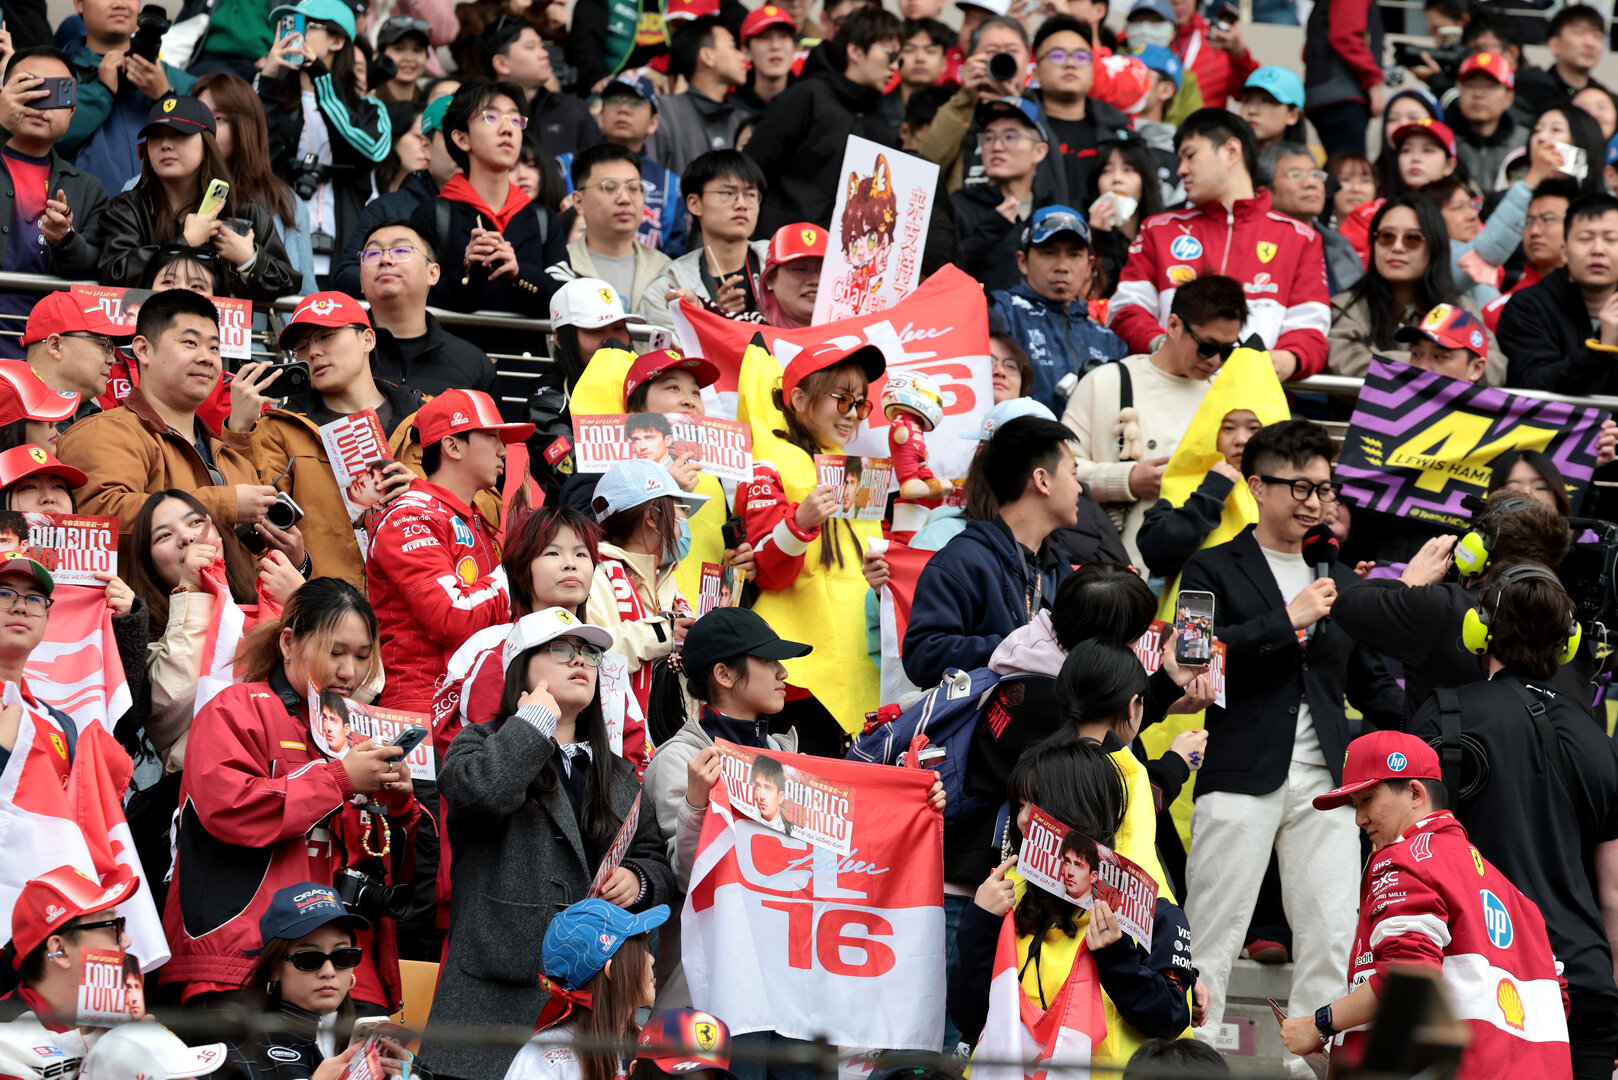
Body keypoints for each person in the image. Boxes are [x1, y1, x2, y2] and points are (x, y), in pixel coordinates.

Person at [1177, 418, 1403, 1052]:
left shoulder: (1339, 576)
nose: (1312, 502)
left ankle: (1311, 1066)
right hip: (1241, 770)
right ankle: (1191, 1057)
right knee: (1211, 930)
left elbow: (1374, 686)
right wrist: (1286, 619)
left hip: (1330, 783)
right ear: (1256, 486)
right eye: (1298, 488)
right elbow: (1194, 660)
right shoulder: (1210, 565)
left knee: (1331, 934)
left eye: (1322, 489)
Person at [428, 607, 675, 1080]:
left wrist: (639, 879)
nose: (579, 660)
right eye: (560, 649)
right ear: (521, 664)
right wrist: (533, 722)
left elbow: (656, 860)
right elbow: (485, 790)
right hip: (494, 1000)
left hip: (589, 1015)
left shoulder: (619, 773)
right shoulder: (477, 743)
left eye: (589, 652)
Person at [1399, 562, 1618, 1078]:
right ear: (1567, 645)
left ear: (1479, 632)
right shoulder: (1599, 744)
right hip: (1584, 982)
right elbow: (1613, 896)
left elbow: (1410, 862)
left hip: (1480, 980)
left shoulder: (1444, 716)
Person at [161, 578, 416, 1011]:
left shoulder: (354, 738)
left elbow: (390, 869)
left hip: (343, 970)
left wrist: (398, 806)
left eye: (362, 656)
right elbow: (231, 808)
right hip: (244, 962)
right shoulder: (234, 708)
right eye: (335, 652)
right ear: (288, 642)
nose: (349, 672)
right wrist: (338, 781)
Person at [1276, 731, 1572, 1076]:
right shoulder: (1510, 889)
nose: (1359, 819)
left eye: (1367, 799)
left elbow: (1407, 977)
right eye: (1355, 805)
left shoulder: (1403, 860)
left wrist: (1319, 1023)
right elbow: (1557, 997)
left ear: (1415, 792)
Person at [949, 737, 1196, 1071]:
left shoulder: (1152, 911)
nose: (1023, 820)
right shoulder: (1006, 895)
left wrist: (1116, 955)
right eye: (1019, 806)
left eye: (1035, 805)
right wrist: (979, 920)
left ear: (1076, 809)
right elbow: (967, 1015)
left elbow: (1169, 1021)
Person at [641, 606, 808, 1005]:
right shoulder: (679, 760)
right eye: (768, 660)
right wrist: (696, 803)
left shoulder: (788, 758)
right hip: (715, 986)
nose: (783, 673)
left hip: (788, 977)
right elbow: (683, 878)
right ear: (725, 674)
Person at [56, 291, 292, 569]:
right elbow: (100, 521)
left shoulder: (234, 461)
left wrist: (294, 560)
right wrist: (224, 504)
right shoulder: (101, 433)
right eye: (190, 343)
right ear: (143, 349)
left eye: (214, 348)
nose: (207, 358)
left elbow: (253, 565)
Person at [737, 340, 885, 754]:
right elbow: (768, 569)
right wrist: (799, 524)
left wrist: (878, 577)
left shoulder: (858, 472)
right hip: (797, 674)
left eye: (861, 405)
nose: (853, 415)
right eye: (842, 400)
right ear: (799, 399)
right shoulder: (768, 463)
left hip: (861, 663)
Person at [1109, 108, 1327, 382]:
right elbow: (1125, 311)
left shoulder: (1298, 237)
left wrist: (1291, 357)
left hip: (1255, 409)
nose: (1181, 170)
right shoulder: (1159, 229)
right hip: (1167, 395)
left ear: (1231, 151)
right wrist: (1161, 346)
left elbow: (1311, 330)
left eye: (1190, 155)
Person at [239, 292, 424, 590]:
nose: (312, 352)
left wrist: (425, 495)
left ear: (367, 340)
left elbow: (487, 505)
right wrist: (239, 428)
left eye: (326, 336)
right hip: (327, 616)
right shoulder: (277, 430)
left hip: (422, 607)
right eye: (301, 346)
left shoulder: (427, 416)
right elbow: (257, 537)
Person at [1064, 274, 1244, 569]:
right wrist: (1127, 480)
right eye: (1207, 347)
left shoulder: (1227, 397)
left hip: (1203, 573)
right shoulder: (1108, 382)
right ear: (1173, 325)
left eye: (1228, 351)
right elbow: (1059, 474)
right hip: (1120, 571)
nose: (1215, 361)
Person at [366, 388, 526, 711]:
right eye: (492, 436)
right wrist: (518, 575)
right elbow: (451, 616)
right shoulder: (410, 516)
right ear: (452, 446)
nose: (504, 451)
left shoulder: (472, 521)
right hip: (425, 709)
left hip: (470, 705)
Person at [902, 416, 1080, 687]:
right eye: (1074, 474)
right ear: (1042, 480)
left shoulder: (1060, 572)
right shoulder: (962, 560)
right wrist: (1018, 647)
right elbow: (923, 655)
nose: (1080, 488)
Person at [98, 96, 297, 301]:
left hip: (219, 332)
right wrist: (184, 242)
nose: (166, 144)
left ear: (207, 143)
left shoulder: (242, 208)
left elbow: (289, 283)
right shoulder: (127, 208)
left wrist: (249, 260)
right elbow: (114, 274)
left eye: (179, 134)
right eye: (156, 136)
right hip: (146, 328)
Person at [122, 490, 259, 781]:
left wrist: (297, 595)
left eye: (195, 522)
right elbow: (174, 700)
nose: (186, 537)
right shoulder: (142, 637)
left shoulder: (267, 602)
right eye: (164, 536)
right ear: (152, 569)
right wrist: (190, 590)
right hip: (205, 792)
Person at [258, 0, 394, 285]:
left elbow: (370, 150)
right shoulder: (272, 100)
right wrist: (267, 82)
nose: (293, 35)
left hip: (346, 251)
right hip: (280, 248)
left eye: (305, 26)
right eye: (286, 27)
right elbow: (255, 157)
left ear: (337, 40)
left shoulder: (369, 109)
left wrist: (321, 77)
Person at [746, 6, 903, 237]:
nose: (895, 66)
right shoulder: (806, 96)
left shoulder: (880, 116)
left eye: (899, 58)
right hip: (783, 246)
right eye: (890, 54)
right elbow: (751, 171)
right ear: (856, 51)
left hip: (846, 257)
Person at [226, 882, 408, 1080]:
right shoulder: (239, 1058)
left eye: (343, 956)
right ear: (274, 968)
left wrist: (408, 1076)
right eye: (309, 958)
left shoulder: (385, 1052)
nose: (329, 971)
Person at [413, 79, 565, 313]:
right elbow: (414, 296)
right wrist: (469, 273)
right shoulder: (433, 216)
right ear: (462, 138)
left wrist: (519, 273)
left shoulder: (544, 219)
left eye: (515, 120)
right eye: (491, 117)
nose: (507, 129)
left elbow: (567, 298)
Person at [0, 47, 108, 360]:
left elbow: (97, 267)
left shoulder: (88, 189)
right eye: (29, 88)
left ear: (72, 110)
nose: (40, 101)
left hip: (49, 353)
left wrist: (67, 240)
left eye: (55, 93)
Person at [1327, 195, 1505, 383]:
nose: (1397, 247)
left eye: (1412, 239)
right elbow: (1343, 361)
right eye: (1387, 237)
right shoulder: (1348, 305)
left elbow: (1494, 366)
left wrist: (1394, 361)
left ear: (1434, 245)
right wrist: (1435, 362)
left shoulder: (1460, 307)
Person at [586, 459, 706, 715]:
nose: (685, 523)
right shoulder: (592, 574)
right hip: (618, 739)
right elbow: (589, 657)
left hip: (675, 737)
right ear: (653, 516)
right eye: (682, 510)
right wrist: (662, 634)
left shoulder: (666, 581)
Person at [503, 898, 665, 1080]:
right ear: (610, 970)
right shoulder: (545, 1057)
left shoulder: (647, 1042)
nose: (651, 960)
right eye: (640, 951)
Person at [0, 865, 140, 1073]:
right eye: (112, 926)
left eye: (121, 924)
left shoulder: (122, 1019)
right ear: (60, 950)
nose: (126, 942)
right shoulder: (6, 1039)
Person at [986, 206, 1125, 410]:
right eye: (1049, 253)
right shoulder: (1000, 311)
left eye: (1074, 255)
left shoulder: (1108, 340)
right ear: (1022, 261)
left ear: (1089, 266)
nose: (1062, 265)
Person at [194, 72, 317, 298]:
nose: (205, 128)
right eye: (198, 118)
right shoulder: (149, 187)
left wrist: (250, 259)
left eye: (218, 119)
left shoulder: (285, 200)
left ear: (245, 128)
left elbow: (306, 291)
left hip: (257, 329)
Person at [58, 0, 196, 198]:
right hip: (82, 220)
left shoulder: (176, 80)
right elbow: (41, 135)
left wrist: (165, 96)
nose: (120, 4)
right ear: (79, 4)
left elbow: (213, 145)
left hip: (166, 220)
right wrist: (101, 91)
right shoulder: (56, 74)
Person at [331, 95, 458, 297]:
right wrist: (397, 277)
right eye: (453, 136)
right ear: (426, 146)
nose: (463, 146)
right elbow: (346, 276)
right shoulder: (388, 208)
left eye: (471, 136)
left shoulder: (509, 205)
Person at [360, 219, 499, 398]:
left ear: (432, 273)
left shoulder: (473, 364)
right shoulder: (339, 356)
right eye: (372, 254)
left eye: (401, 251)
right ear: (361, 280)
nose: (385, 260)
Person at [1498, 192, 1618, 394]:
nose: (1598, 250)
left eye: (1611, 239)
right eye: (1585, 239)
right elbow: (1531, 383)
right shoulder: (1527, 307)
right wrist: (1602, 349)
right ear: (1564, 251)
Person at [557, 73, 684, 255]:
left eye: (636, 103)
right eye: (615, 101)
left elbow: (675, 254)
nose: (623, 109)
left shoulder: (671, 185)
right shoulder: (565, 167)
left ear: (653, 122)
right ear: (600, 116)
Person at [644, 150, 768, 326]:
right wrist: (718, 317)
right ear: (695, 204)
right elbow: (676, 352)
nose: (742, 204)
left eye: (750, 194)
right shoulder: (668, 289)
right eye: (727, 193)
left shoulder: (783, 266)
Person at [550, 143, 672, 318]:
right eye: (609, 187)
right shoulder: (560, 268)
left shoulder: (665, 269)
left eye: (633, 188)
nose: (625, 199)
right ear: (578, 201)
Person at [1027, 15, 1140, 200]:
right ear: (1036, 73)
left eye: (1081, 56)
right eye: (1057, 55)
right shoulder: (1017, 127)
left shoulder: (1120, 133)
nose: (1070, 63)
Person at [952, 99, 1054, 291]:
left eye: (1010, 137)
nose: (996, 146)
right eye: (989, 138)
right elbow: (940, 272)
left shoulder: (1049, 213)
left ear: (1039, 151)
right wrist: (992, 229)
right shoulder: (960, 205)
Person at [478, 17, 598, 157]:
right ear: (501, 64)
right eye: (530, 47)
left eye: (542, 46)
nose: (545, 54)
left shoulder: (573, 109)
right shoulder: (481, 115)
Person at [644, 17, 748, 178]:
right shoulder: (663, 114)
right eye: (733, 47)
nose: (743, 57)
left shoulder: (742, 120)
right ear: (707, 56)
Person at [1259, 142, 1361, 295]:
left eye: (1316, 175)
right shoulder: (1252, 247)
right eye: (1296, 175)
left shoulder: (1342, 249)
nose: (1311, 183)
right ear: (1265, 192)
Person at [1483, 177, 1575, 330]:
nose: (1534, 231)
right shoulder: (1499, 312)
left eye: (1548, 219)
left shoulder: (1598, 297)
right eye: (1529, 222)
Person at [18, 291, 122, 417]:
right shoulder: (8, 415)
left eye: (111, 348)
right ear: (55, 346)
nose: (112, 360)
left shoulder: (101, 416)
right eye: (103, 344)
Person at [1299, 0, 1382, 156]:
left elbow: (1307, 53)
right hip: (1343, 97)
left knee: (1340, 168)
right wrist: (1373, 81)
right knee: (1349, 172)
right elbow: (1344, 36)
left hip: (1323, 95)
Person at [1449, 51, 1526, 197]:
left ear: (1509, 98)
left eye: (1489, 86)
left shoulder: (1526, 142)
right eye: (1469, 85)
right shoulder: (1444, 142)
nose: (1478, 94)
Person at [1514, 3, 1607, 117]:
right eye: (1579, 32)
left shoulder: (1603, 96)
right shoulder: (1533, 90)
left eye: (1597, 35)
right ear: (1554, 44)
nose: (1590, 43)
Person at [754, 222, 826, 328]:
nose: (815, 280)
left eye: (823, 269)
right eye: (800, 269)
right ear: (770, 279)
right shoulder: (748, 331)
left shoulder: (856, 335)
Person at [736, 5, 799, 121]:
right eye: (764, 37)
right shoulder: (731, 108)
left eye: (783, 36)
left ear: (794, 48)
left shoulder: (808, 103)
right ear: (746, 52)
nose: (775, 46)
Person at [1238, 66, 1302, 151]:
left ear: (1292, 115)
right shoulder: (1224, 159)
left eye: (1267, 101)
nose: (1252, 110)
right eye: (1247, 100)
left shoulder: (1300, 163)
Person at [375, 15, 431, 103]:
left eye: (417, 50)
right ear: (378, 54)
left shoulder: (432, 105)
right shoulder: (365, 104)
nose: (409, 58)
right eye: (399, 49)